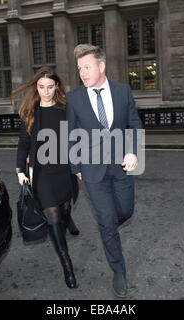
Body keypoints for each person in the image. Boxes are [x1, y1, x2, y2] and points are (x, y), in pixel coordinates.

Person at [66, 44, 143, 298]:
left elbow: (134, 124)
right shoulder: (75, 97)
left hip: (122, 165)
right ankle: (119, 270)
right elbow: (71, 134)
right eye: (79, 69)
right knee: (108, 221)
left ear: (101, 66)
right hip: (92, 170)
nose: (83, 73)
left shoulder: (123, 91)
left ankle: (108, 225)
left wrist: (133, 151)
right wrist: (76, 166)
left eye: (87, 67)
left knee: (126, 211)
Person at [12, 67, 80, 289]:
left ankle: (67, 219)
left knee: (65, 210)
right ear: (36, 87)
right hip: (42, 174)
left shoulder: (65, 111)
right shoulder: (30, 113)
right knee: (52, 216)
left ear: (57, 86)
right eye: (41, 87)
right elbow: (23, 144)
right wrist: (20, 171)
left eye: (50, 87)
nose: (46, 91)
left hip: (64, 170)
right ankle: (67, 265)